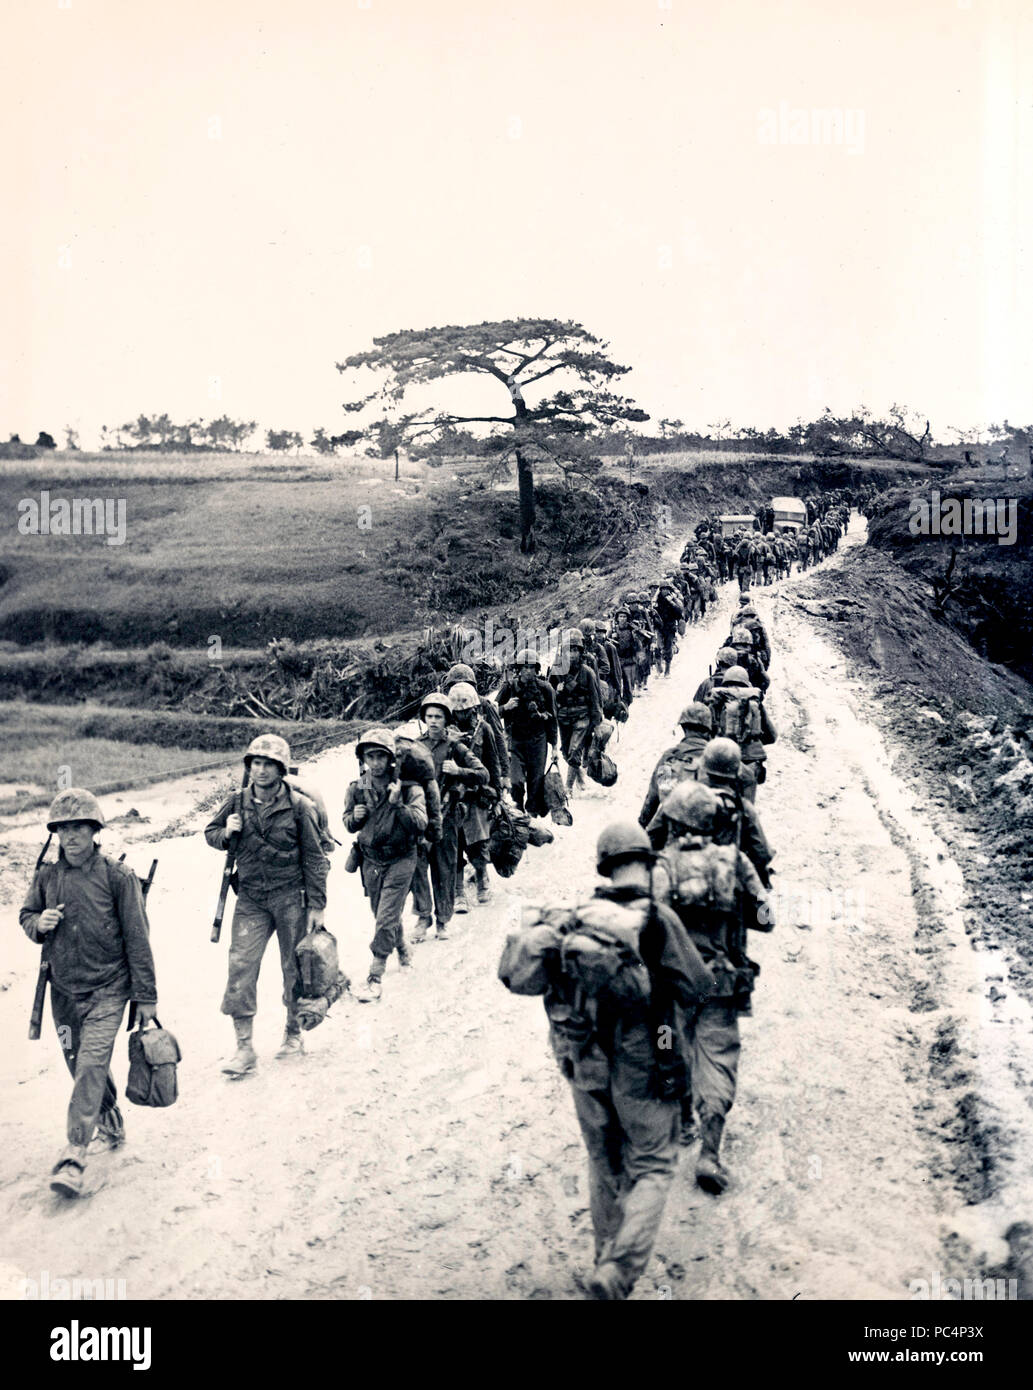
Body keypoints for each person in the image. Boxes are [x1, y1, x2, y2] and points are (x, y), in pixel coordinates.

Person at [499, 822, 713, 1299]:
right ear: (647, 861)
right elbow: (698, 988)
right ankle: (617, 1272)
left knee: (603, 1161)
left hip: (583, 1059)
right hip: (644, 1059)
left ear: (605, 867)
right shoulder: (655, 919)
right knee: (655, 1164)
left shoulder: (577, 917)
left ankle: (602, 1259)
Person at [20, 789, 159, 1196]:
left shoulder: (117, 876)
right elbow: (26, 915)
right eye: (63, 829)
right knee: (78, 1065)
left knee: (90, 1065)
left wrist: (146, 996)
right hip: (63, 991)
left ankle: (74, 1154)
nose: (71, 836)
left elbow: (138, 939)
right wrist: (38, 923)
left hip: (108, 990)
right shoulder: (47, 875)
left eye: (79, 827)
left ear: (95, 830)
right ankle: (108, 1114)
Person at [656, 783, 772, 1189]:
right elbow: (766, 915)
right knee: (718, 1058)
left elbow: (646, 926)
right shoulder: (734, 860)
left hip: (673, 987)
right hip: (720, 983)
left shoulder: (663, 866)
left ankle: (683, 1117)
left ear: (673, 821)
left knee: (671, 1046)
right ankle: (710, 1154)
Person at [206, 735, 329, 1073]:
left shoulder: (299, 807)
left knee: (294, 967)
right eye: (255, 763)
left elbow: (315, 859)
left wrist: (317, 906)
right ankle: (244, 1048)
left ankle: (292, 1034)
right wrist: (225, 833)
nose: (260, 770)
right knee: (241, 967)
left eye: (268, 765)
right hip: (251, 899)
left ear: (280, 770)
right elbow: (211, 833)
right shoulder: (236, 802)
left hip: (291, 897)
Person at [344, 728, 427, 1002]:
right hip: (370, 860)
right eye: (371, 757)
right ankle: (402, 947)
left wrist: (398, 805)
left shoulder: (407, 787)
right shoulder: (358, 788)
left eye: (381, 756)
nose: (376, 763)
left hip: (402, 857)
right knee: (382, 912)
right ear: (364, 759)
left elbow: (421, 822)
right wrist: (354, 818)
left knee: (386, 915)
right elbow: (347, 823)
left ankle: (375, 975)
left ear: (391, 758)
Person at [410, 694, 486, 941]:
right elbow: (393, 773)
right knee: (418, 868)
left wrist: (458, 771)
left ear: (446, 720)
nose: (433, 722)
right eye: (429, 716)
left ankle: (443, 920)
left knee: (445, 869)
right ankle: (423, 917)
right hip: (421, 817)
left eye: (438, 717)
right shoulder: (414, 747)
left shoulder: (456, 747)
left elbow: (482, 774)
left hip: (448, 816)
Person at [496, 651, 558, 818]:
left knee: (536, 781)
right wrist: (505, 707)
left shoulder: (545, 689)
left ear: (536, 669)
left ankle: (531, 815)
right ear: (519, 669)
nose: (528, 671)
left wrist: (554, 747)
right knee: (515, 781)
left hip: (538, 740)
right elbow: (492, 712)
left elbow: (552, 720)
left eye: (531, 667)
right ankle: (518, 811)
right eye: (525, 667)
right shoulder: (508, 687)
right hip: (515, 741)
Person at [638, 703, 714, 838]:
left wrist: (642, 824)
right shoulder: (716, 758)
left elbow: (654, 797)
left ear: (683, 727)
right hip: (709, 830)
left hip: (672, 828)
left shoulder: (670, 757)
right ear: (708, 729)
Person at [706, 666, 776, 803]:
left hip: (721, 760)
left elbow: (706, 731)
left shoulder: (717, 700)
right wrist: (752, 738)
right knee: (746, 809)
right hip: (750, 763)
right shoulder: (754, 702)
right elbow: (772, 736)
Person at [550, 628, 604, 795]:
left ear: (581, 652)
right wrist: (556, 691)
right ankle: (579, 776)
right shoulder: (556, 671)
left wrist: (596, 724)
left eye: (575, 650)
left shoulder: (587, 673)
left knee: (574, 752)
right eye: (569, 650)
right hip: (564, 717)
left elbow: (596, 699)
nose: (572, 654)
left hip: (582, 717)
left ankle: (568, 787)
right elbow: (547, 693)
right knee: (567, 753)